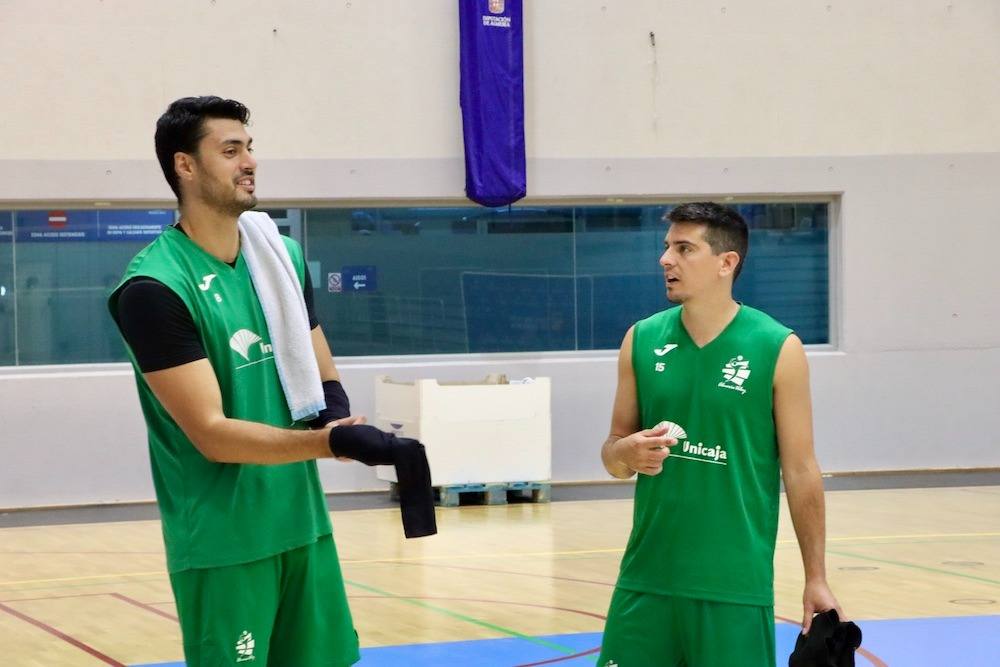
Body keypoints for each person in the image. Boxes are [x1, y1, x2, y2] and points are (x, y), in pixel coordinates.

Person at [109, 96, 363, 666]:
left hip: (302, 521)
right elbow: (212, 434)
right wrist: (328, 443)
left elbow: (321, 369)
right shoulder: (154, 288)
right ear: (185, 165)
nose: (249, 162)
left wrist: (339, 420)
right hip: (224, 542)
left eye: (249, 148)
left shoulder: (281, 257)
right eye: (230, 151)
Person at [597, 202, 844, 666]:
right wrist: (626, 453)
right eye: (667, 247)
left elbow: (800, 470)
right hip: (646, 580)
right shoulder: (641, 339)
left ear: (726, 263)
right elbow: (613, 456)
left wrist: (816, 576)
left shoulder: (777, 347)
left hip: (735, 588)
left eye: (684, 248)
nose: (665, 259)